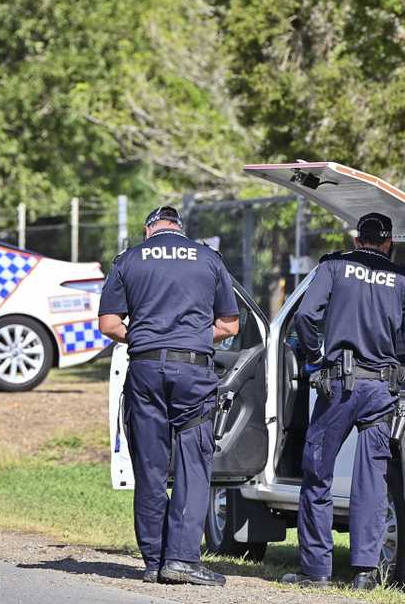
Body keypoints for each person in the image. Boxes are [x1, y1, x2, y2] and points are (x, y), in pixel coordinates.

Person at [282, 212, 405, 590]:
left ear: (357, 239)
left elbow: (304, 316)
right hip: (381, 391)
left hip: (338, 387)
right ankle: (365, 572)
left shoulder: (334, 268)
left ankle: (316, 570)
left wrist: (313, 356)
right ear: (389, 242)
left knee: (317, 474)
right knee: (372, 482)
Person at [97, 206, 240, 586]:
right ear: (180, 229)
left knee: (149, 466)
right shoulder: (209, 259)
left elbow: (109, 324)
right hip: (192, 371)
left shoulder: (128, 260)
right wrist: (188, 339)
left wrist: (147, 338)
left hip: (144, 370)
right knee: (194, 465)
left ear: (149, 232)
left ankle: (153, 561)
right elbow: (229, 324)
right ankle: (182, 560)